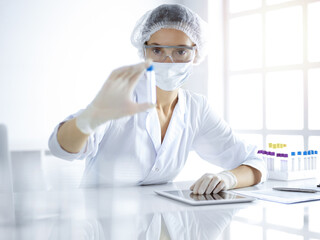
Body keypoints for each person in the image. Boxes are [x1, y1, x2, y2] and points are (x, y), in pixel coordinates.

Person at [48, 4, 266, 194]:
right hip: (100, 223)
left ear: (196, 54)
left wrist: (228, 179)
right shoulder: (121, 98)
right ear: (144, 52)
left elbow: (255, 161)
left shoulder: (196, 109)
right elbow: (61, 149)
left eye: (180, 52)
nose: (168, 60)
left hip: (157, 221)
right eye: (158, 50)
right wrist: (92, 116)